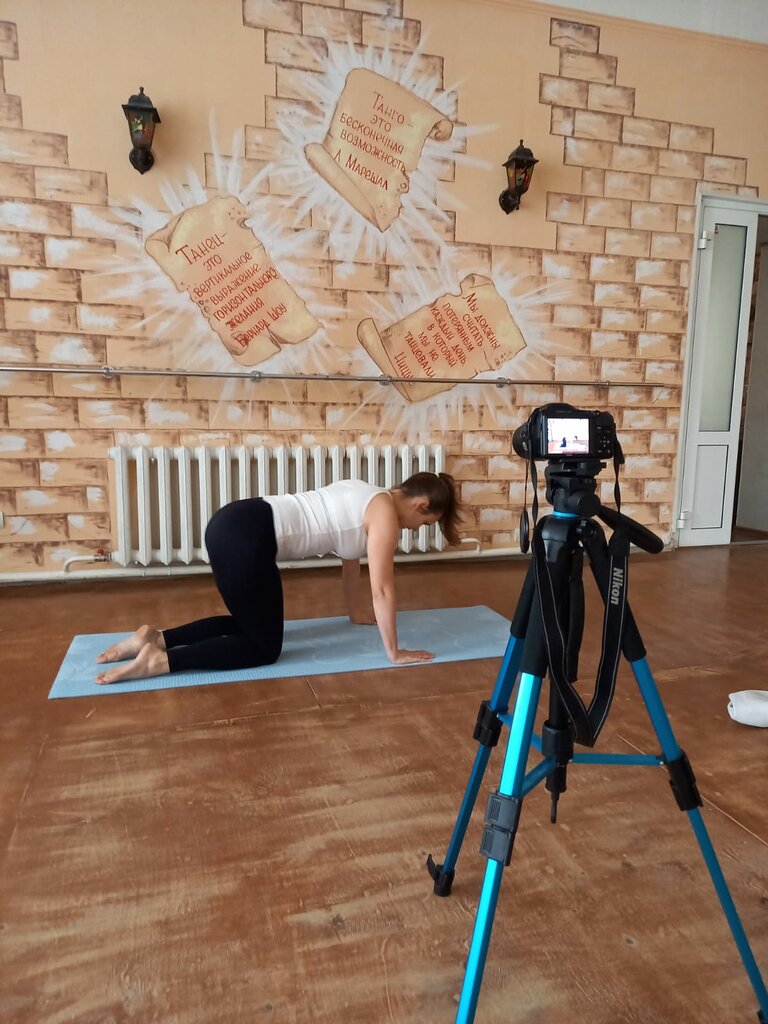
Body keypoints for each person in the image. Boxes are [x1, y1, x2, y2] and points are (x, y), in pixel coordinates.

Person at [95, 471, 463, 684]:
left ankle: (155, 638)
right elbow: (382, 588)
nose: (416, 529)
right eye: (424, 523)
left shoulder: (364, 491)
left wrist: (355, 614)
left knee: (249, 626)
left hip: (233, 521)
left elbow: (351, 564)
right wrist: (394, 653)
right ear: (421, 505)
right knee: (263, 648)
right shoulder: (384, 515)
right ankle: (161, 661)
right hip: (248, 537)